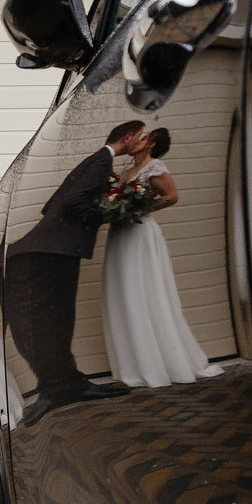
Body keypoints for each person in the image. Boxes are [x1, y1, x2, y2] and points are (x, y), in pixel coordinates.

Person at [4, 121, 155, 418]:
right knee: (55, 317)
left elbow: (54, 203)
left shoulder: (97, 161)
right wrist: (106, 214)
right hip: (57, 250)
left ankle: (66, 384)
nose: (139, 141)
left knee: (58, 317)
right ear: (127, 137)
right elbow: (72, 201)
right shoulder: (100, 162)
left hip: (56, 248)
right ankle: (58, 388)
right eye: (138, 136)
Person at [104, 127, 224, 388]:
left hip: (139, 234)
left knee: (143, 290)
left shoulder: (155, 168)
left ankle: (160, 363)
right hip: (119, 234)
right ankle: (135, 363)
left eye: (143, 138)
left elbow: (172, 196)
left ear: (151, 144)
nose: (136, 141)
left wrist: (140, 208)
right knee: (124, 290)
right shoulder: (127, 172)